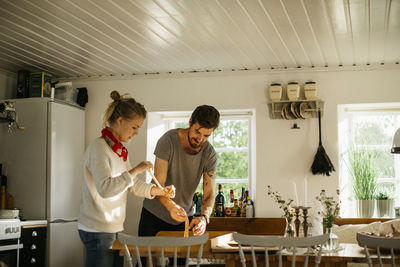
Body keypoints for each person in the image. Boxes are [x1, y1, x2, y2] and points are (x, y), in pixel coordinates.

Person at [78, 91, 175, 267]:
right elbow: (106, 189)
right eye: (134, 127)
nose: (137, 133)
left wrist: (160, 191)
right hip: (97, 231)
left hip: (114, 229)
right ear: (120, 120)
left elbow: (133, 186)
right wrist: (135, 170)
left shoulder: (119, 151)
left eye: (139, 128)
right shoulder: (98, 148)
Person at [139, 105, 220, 237]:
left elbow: (209, 194)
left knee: (182, 258)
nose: (200, 139)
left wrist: (204, 218)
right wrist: (171, 207)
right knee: (145, 258)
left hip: (183, 217)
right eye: (197, 132)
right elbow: (159, 185)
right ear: (190, 122)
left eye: (206, 135)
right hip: (153, 214)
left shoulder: (209, 154)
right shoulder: (168, 141)